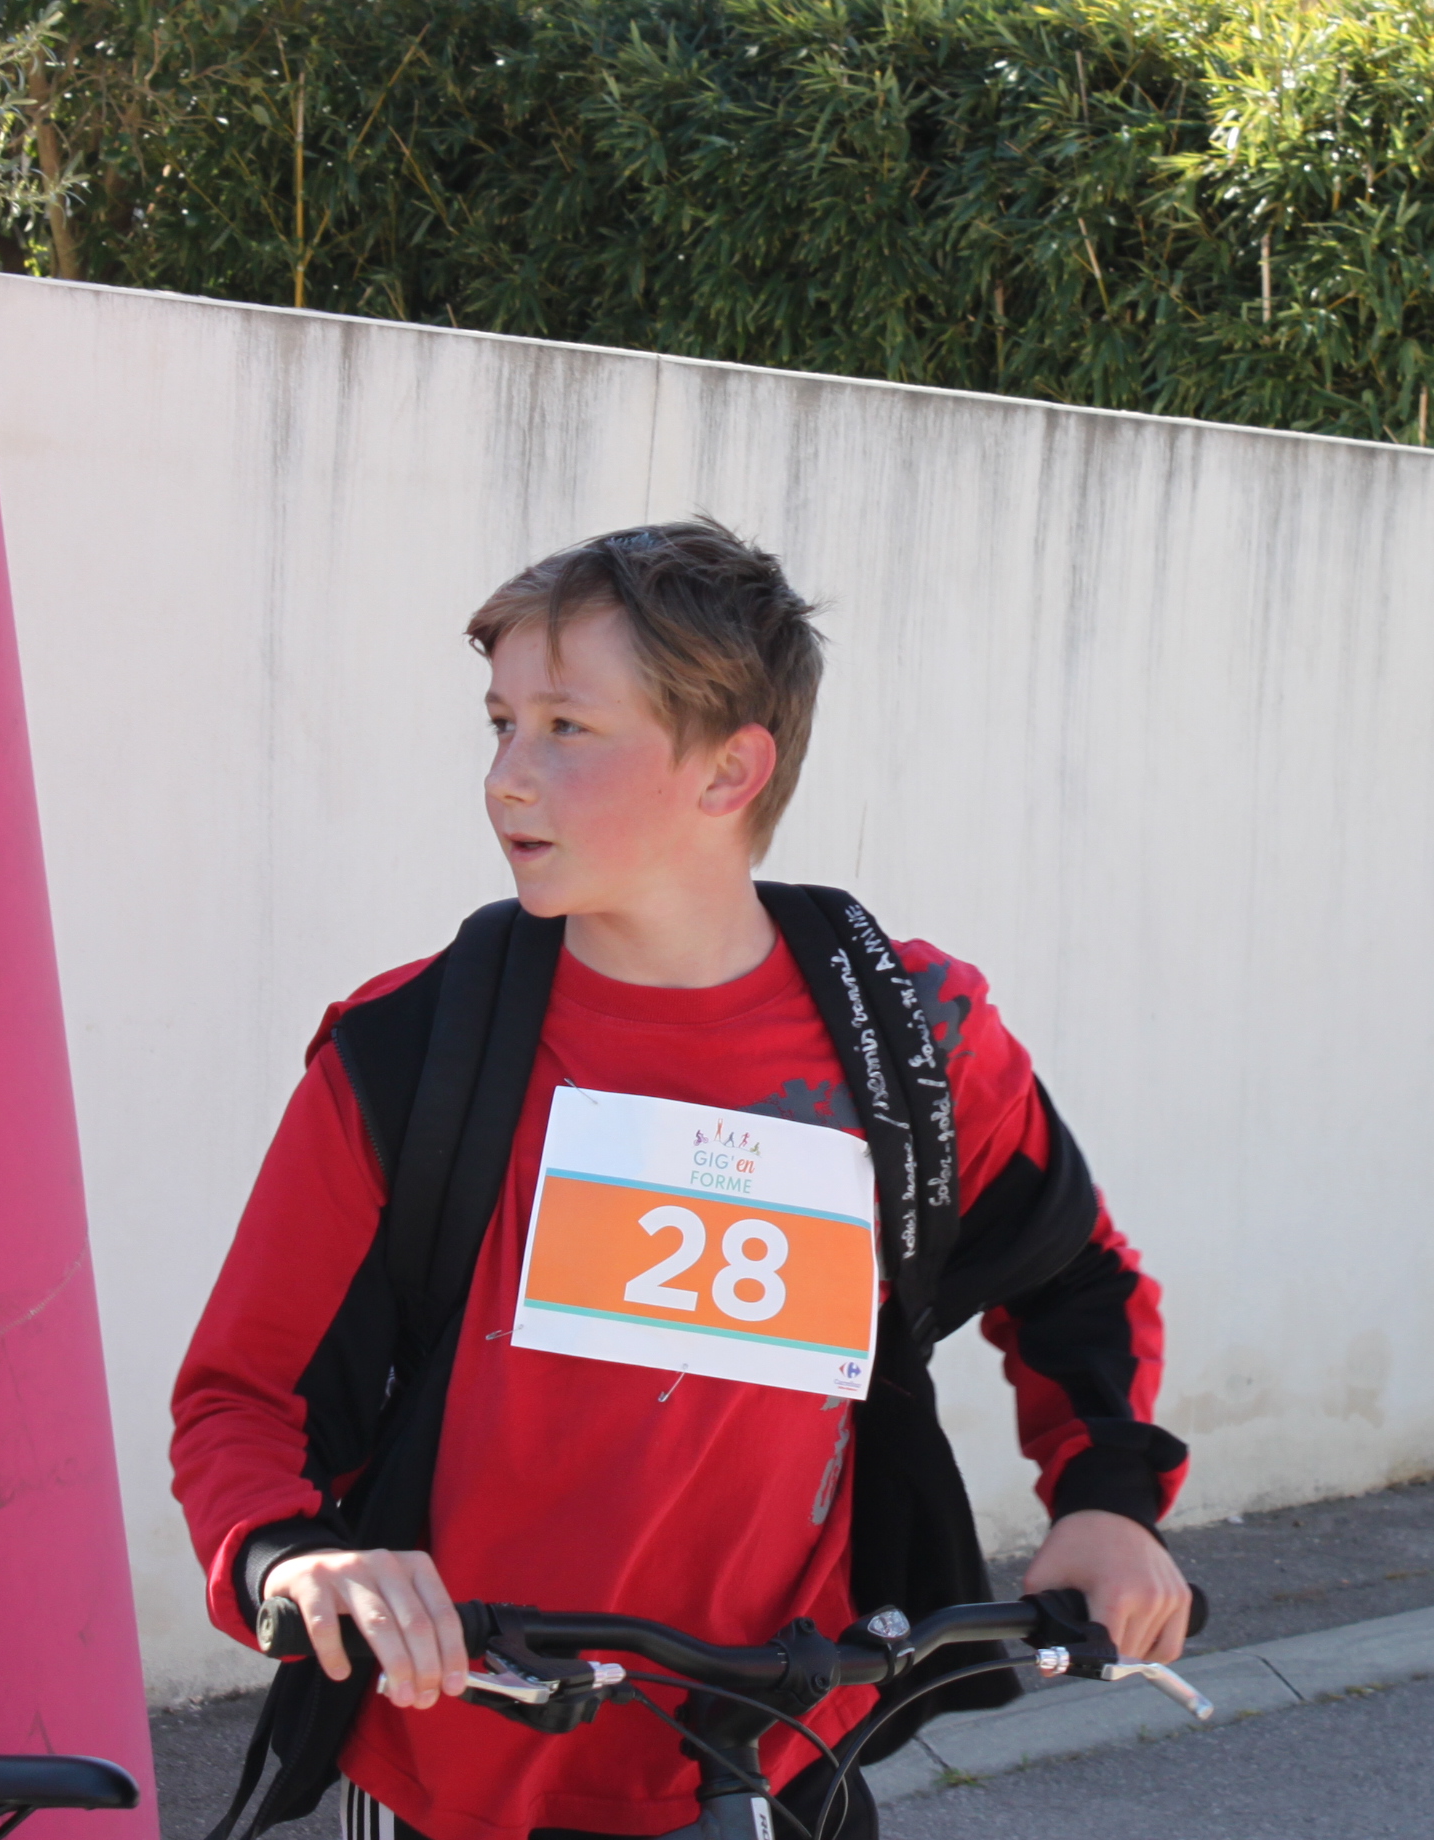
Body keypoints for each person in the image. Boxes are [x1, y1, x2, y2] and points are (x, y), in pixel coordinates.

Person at [172, 520, 1190, 1840]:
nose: (505, 779)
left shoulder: (916, 1037)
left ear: (730, 771)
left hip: (777, 1755)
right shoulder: (409, 1052)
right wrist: (295, 1555)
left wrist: (1108, 1506)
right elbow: (238, 1399)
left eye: (566, 729)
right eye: (501, 725)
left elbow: (1078, 1278)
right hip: (455, 1759)